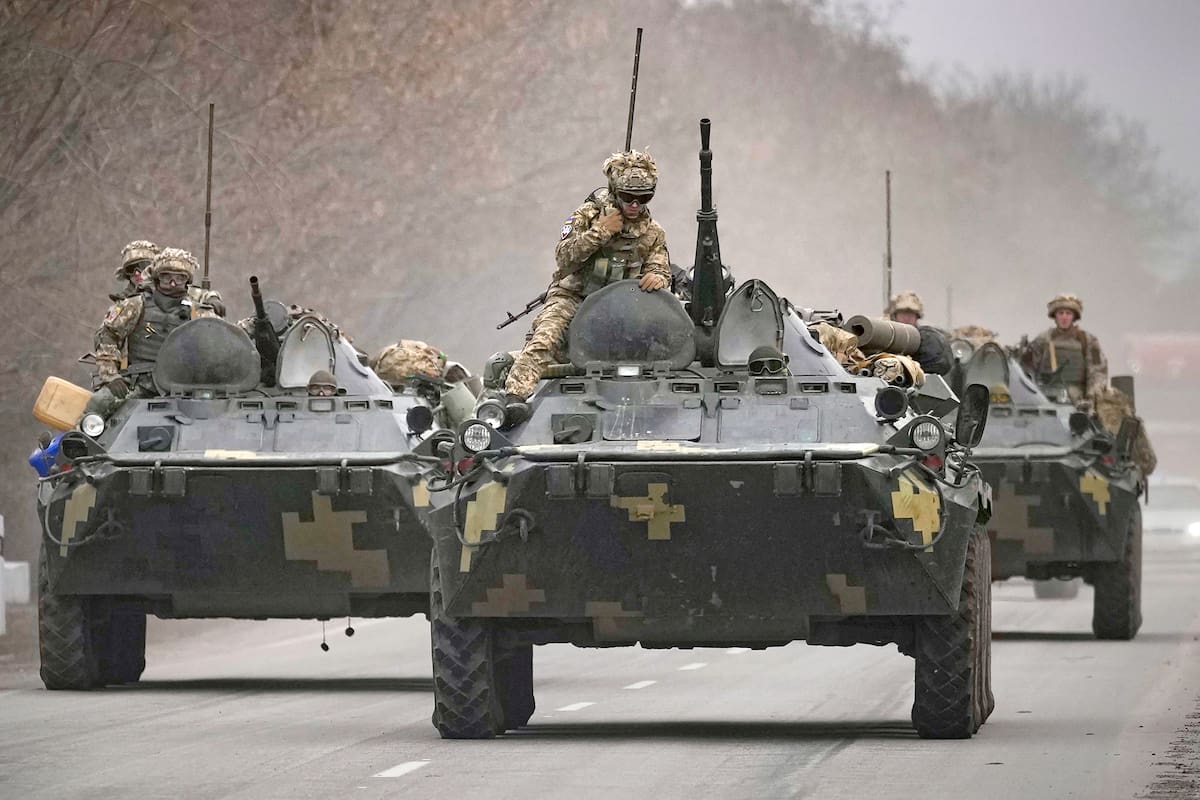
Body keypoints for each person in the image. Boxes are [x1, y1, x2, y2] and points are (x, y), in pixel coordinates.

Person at [500, 149, 671, 425]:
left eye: (644, 198)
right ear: (615, 191)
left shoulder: (652, 232)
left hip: (620, 305)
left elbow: (659, 265)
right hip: (574, 295)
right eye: (628, 197)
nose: (635, 205)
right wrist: (601, 231)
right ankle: (515, 399)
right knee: (546, 338)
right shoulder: (589, 215)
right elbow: (563, 257)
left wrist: (657, 276)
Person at [83, 248, 221, 417]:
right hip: (140, 383)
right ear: (157, 277)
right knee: (99, 403)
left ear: (187, 281)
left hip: (185, 386)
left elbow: (223, 342)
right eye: (166, 277)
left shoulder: (199, 312)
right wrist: (111, 376)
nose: (172, 283)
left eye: (179, 278)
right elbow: (108, 335)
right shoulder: (134, 305)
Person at [1021, 293, 1107, 404]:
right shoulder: (1043, 340)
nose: (1064, 317)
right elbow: (1027, 370)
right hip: (1046, 398)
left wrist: (1092, 396)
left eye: (1068, 313)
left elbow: (1097, 371)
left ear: (1074, 316)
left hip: (1078, 399)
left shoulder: (1087, 340)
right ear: (1055, 316)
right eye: (1061, 313)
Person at [883, 289, 951, 375]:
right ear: (895, 315)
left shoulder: (926, 340)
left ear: (917, 316)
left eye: (910, 314)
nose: (906, 318)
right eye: (903, 313)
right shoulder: (887, 337)